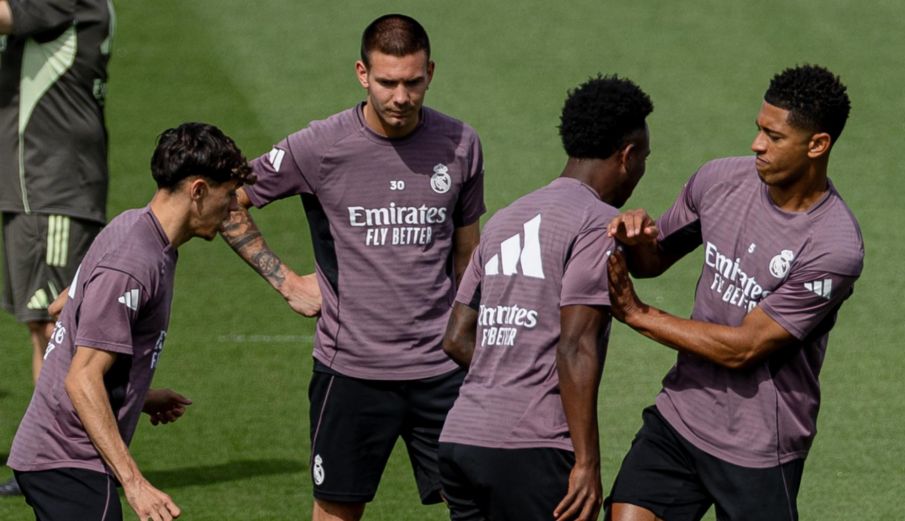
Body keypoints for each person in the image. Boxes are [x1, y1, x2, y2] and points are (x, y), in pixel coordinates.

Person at [220, 14, 485, 521]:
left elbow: (468, 252)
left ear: (430, 71)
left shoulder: (460, 144)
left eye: (412, 82)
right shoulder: (318, 146)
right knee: (337, 512)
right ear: (363, 74)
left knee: (477, 506)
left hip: (443, 371)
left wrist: (477, 341)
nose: (401, 96)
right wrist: (286, 281)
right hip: (351, 372)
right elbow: (227, 201)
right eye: (387, 82)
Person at [603, 65, 863, 521]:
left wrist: (638, 315)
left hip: (759, 446)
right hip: (681, 415)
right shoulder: (721, 180)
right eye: (758, 129)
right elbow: (652, 260)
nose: (756, 144)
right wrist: (635, 238)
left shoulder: (832, 247)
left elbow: (744, 348)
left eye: (774, 136)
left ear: (817, 145)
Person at [5, 123, 255, 521]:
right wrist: (136, 485)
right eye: (228, 197)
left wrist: (138, 394)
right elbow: (81, 379)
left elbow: (62, 307)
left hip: (56, 455)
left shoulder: (132, 226)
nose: (233, 210)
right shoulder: (134, 262)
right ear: (198, 191)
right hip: (69, 458)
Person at [438, 75, 653, 521]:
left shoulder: (503, 220)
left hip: (462, 439)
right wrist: (587, 463)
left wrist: (508, 372)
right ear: (627, 156)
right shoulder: (597, 224)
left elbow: (456, 338)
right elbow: (575, 346)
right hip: (531, 449)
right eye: (644, 158)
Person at [0, 0, 113, 496]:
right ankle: (50, 458)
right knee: (43, 326)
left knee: (54, 327)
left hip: (51, 185)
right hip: (39, 185)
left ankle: (56, 464)